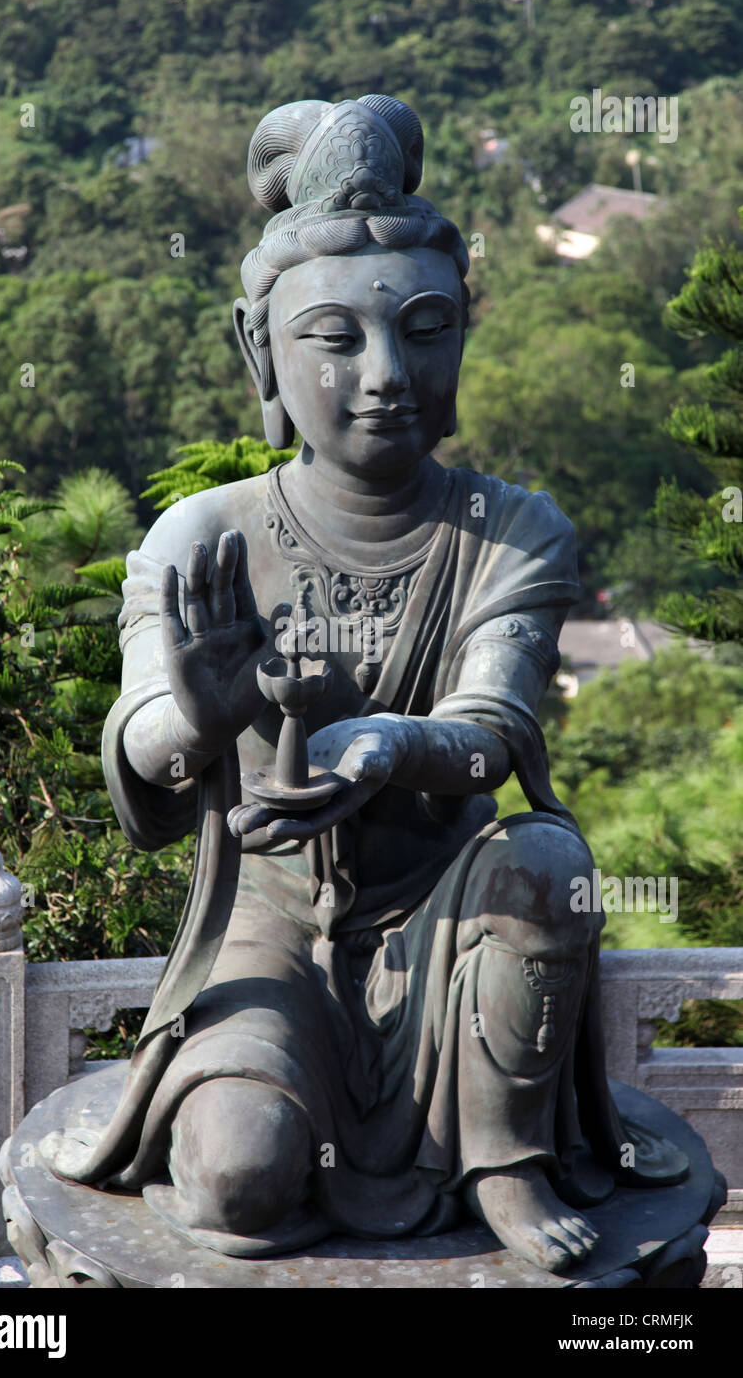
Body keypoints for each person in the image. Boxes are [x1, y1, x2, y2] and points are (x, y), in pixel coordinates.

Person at [52, 94, 687, 1271]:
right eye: (335, 339)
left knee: (546, 856)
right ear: (263, 354)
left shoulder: (510, 530)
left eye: (425, 329)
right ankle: (254, 1118)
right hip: (268, 928)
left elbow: (492, 729)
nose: (386, 372)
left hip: (454, 922)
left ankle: (503, 1157)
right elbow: (145, 743)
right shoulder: (203, 536)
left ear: (460, 340)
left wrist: (389, 745)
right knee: (239, 1179)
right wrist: (204, 708)